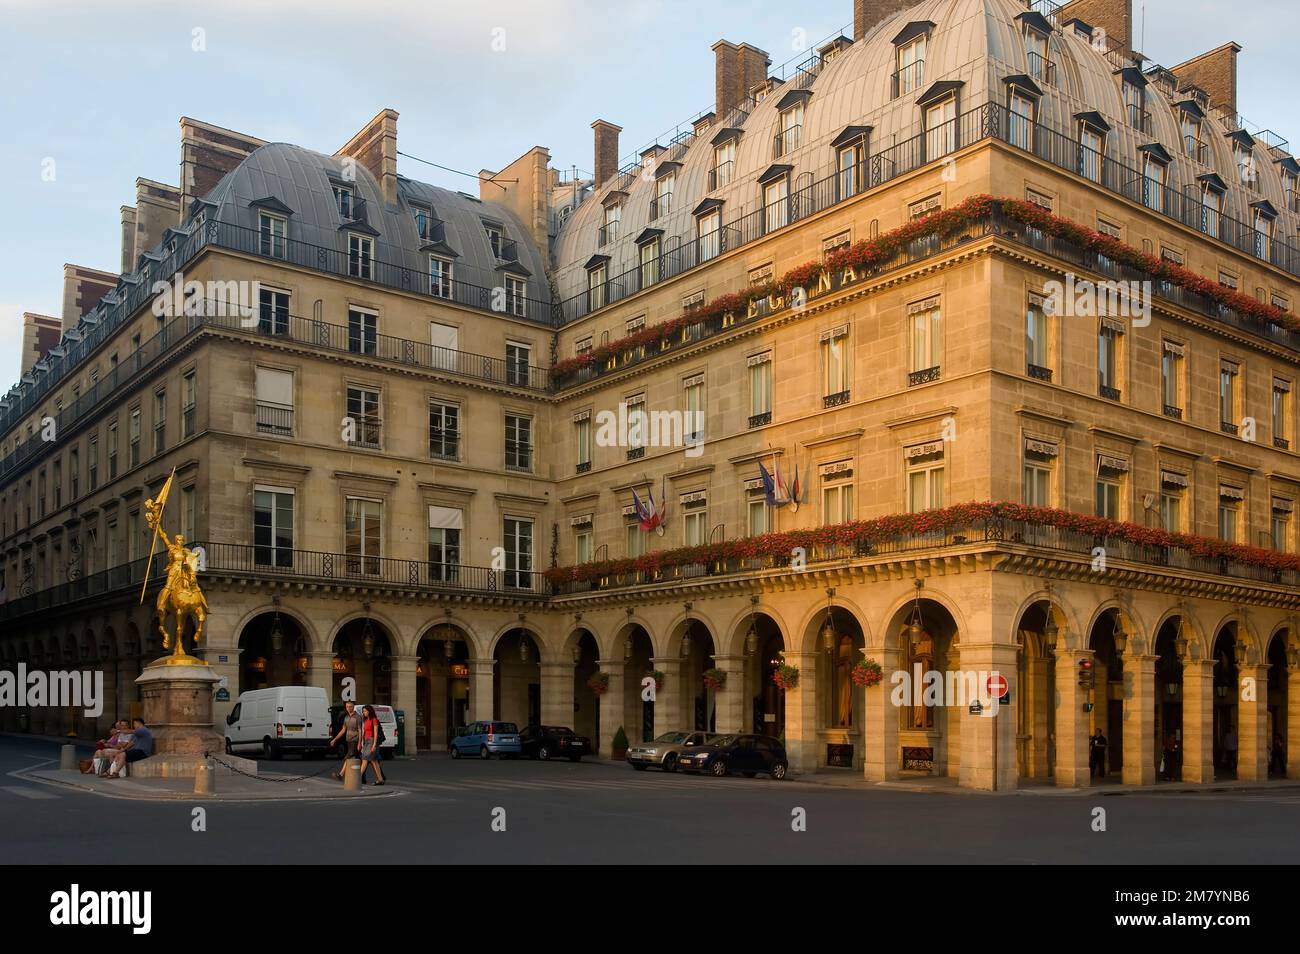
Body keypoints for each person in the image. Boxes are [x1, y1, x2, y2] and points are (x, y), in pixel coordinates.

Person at [330, 701, 362, 781]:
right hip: (348, 740)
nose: (348, 708)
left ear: (353, 707)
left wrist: (359, 743)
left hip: (355, 739)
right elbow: (343, 730)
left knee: (348, 756)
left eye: (350, 706)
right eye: (347, 706)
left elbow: (360, 730)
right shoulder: (346, 717)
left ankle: (341, 774)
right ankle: (360, 778)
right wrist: (335, 739)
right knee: (356, 759)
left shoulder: (357, 717)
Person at [358, 705, 386, 786]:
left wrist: (374, 745)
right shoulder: (366, 720)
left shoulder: (374, 720)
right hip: (367, 741)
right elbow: (364, 732)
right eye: (363, 711)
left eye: (365, 711)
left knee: (365, 759)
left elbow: (376, 733)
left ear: (369, 711)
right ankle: (380, 780)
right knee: (374, 761)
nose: (364, 713)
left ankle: (356, 778)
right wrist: (363, 743)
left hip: (372, 741)